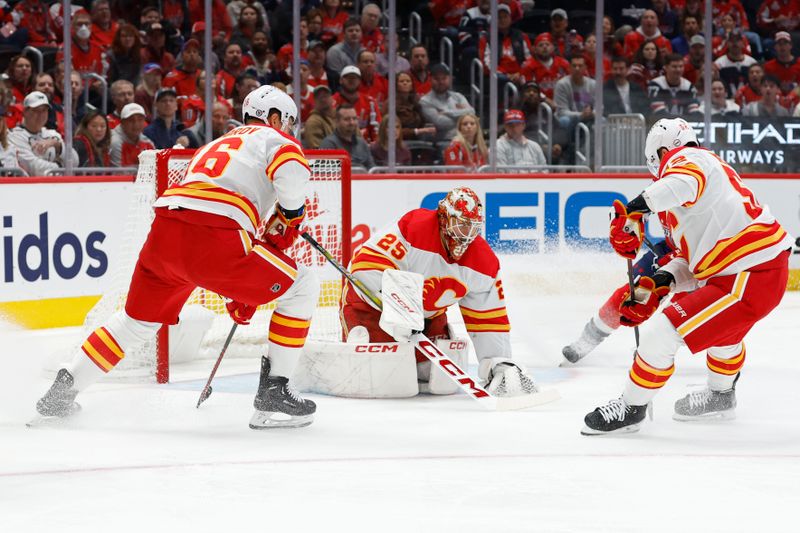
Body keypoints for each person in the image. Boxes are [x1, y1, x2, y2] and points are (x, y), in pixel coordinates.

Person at [36, 85, 320, 430]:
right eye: (286, 122)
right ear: (274, 118)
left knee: (135, 322)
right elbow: (289, 173)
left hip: (166, 232)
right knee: (303, 284)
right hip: (214, 235)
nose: (288, 130)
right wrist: (292, 213)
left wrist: (243, 287)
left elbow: (208, 233)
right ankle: (275, 390)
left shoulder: (216, 144)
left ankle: (63, 390)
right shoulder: (274, 140)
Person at [582, 117, 793, 435]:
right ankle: (721, 396)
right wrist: (658, 284)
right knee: (725, 335)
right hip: (746, 272)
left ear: (661, 151)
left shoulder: (690, 159)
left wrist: (636, 209)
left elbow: (682, 182)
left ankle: (631, 407)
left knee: (659, 335)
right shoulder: (691, 197)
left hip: (749, 272)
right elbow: (690, 263)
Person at [341, 186, 541, 397]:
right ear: (444, 218)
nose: (466, 235)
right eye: (461, 226)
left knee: (438, 379)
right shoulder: (414, 228)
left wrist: (498, 363)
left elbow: (488, 319)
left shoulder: (484, 262)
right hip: (372, 307)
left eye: (473, 228)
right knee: (382, 377)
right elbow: (365, 267)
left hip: (427, 318)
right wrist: (399, 309)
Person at [9, 91, 78, 176]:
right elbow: (34, 167)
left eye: (44, 110)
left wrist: (58, 146)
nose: (40, 115)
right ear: (25, 112)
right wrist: (61, 166)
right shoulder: (15, 136)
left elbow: (75, 161)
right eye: (36, 110)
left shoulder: (52, 134)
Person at [420, 64, 475, 143]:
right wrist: (462, 114)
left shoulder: (458, 96)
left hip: (465, 139)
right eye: (436, 79)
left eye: (444, 78)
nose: (441, 82)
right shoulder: (425, 101)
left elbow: (472, 113)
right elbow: (441, 123)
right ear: (430, 80)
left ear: (450, 79)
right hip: (442, 141)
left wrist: (447, 112)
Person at [332, 65, 381, 144]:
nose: (352, 80)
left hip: (366, 146)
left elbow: (376, 128)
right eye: (348, 77)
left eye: (355, 78)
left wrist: (375, 143)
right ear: (341, 80)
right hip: (340, 145)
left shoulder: (370, 102)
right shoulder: (332, 102)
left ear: (359, 81)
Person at [319, 104, 375, 169]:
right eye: (347, 119)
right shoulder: (328, 144)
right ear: (337, 121)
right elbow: (325, 173)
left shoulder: (362, 143)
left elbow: (372, 170)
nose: (352, 122)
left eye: (354, 118)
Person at [520, 33, 571, 100]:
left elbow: (572, 84)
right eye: (541, 45)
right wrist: (546, 100)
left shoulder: (563, 63)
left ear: (553, 48)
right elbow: (528, 90)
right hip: (538, 104)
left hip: (562, 101)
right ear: (535, 49)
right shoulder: (527, 66)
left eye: (547, 44)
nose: (544, 47)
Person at [388, 72, 436, 141]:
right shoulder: (390, 104)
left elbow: (422, 123)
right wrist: (417, 131)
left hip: (417, 139)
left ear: (412, 85)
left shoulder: (416, 101)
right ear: (395, 85)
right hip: (398, 141)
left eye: (408, 81)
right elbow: (390, 130)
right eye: (401, 81)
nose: (405, 83)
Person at [554, 55, 596, 135]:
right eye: (574, 66)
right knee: (564, 120)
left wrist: (592, 113)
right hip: (570, 119)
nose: (577, 69)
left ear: (585, 68)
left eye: (580, 66)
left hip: (589, 117)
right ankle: (565, 146)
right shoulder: (562, 84)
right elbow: (562, 111)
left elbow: (600, 107)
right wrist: (581, 115)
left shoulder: (593, 84)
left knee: (602, 120)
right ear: (569, 67)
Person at [109, 103, 155, 167]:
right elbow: (117, 174)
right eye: (131, 120)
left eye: (140, 120)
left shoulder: (147, 143)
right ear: (122, 122)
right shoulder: (115, 142)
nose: (136, 124)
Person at [302, 85, 335, 149]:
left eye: (325, 96)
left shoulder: (341, 116)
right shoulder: (313, 122)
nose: (323, 99)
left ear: (332, 98)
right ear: (314, 101)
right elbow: (317, 150)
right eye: (319, 97)